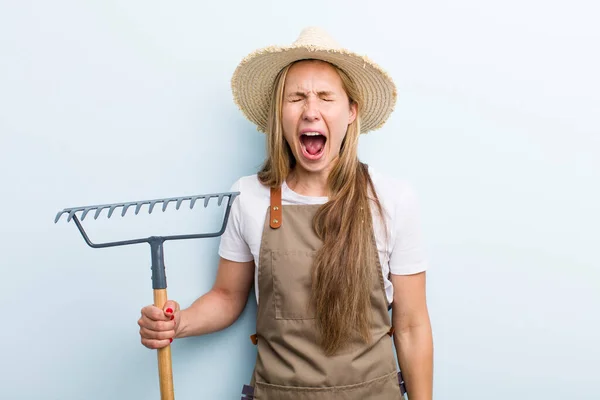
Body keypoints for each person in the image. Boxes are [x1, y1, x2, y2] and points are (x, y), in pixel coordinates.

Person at [138, 27, 433, 399]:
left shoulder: (392, 198)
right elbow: (228, 296)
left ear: (351, 112)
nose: (311, 110)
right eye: (296, 98)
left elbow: (411, 326)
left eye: (326, 97)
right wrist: (179, 323)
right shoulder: (247, 196)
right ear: (280, 113)